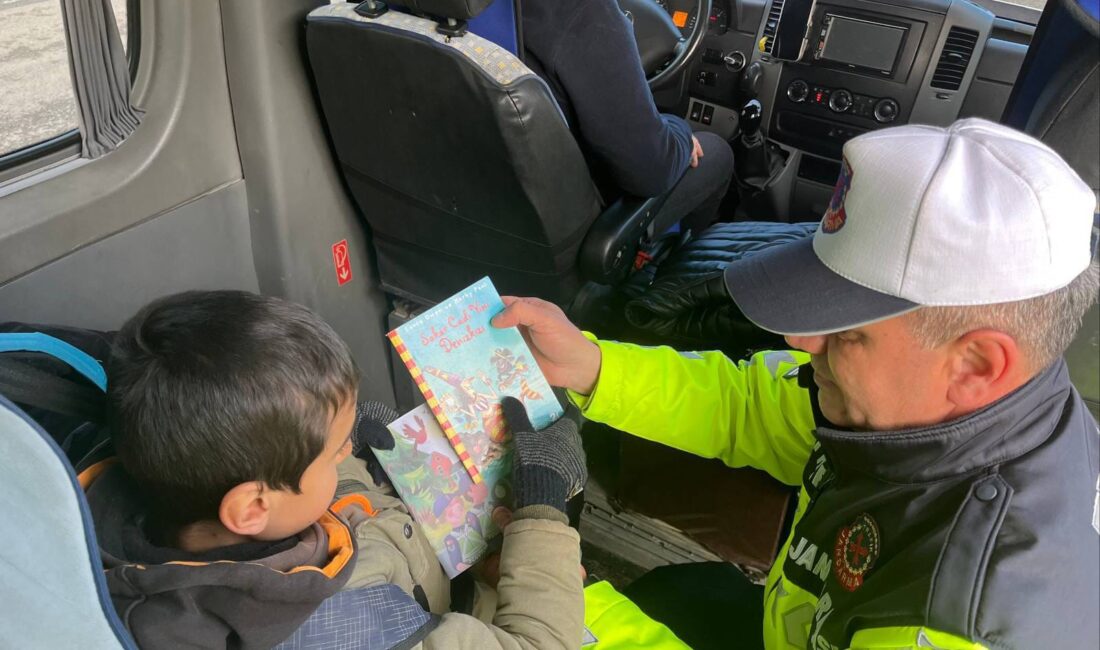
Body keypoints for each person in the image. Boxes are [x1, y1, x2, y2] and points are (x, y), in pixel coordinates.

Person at [492, 118, 1100, 649]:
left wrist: (564, 613)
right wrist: (592, 366)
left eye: (847, 331)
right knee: (685, 591)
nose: (803, 343)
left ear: (976, 366)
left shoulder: (953, 623)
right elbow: (748, 408)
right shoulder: (936, 406)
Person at [86, 290, 588, 649]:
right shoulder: (347, 630)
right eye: (334, 449)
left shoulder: (138, 500)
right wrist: (543, 511)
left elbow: (316, 506)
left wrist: (349, 474)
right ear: (251, 507)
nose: (349, 445)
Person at [522, 0, 734, 235]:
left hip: (508, 207)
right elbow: (653, 171)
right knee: (716, 153)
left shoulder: (487, 11)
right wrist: (681, 132)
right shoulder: (585, 11)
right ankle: (665, 266)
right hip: (579, 227)